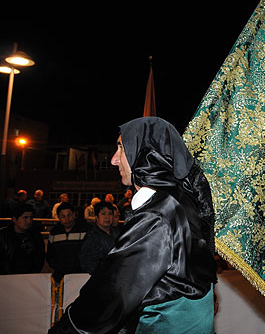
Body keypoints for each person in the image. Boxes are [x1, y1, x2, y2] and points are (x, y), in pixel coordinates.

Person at [50, 117, 217, 334]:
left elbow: (110, 295)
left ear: (146, 152)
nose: (113, 160)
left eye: (121, 147)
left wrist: (64, 329)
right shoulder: (181, 201)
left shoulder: (158, 215)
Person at [47, 202, 87, 281]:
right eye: (63, 216)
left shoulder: (84, 230)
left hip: (79, 274)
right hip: (60, 275)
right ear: (58, 217)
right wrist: (56, 265)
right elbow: (50, 253)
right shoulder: (54, 232)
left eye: (69, 215)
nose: (67, 219)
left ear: (74, 214)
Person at [0, 203, 45, 274]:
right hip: (7, 277)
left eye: (31, 218)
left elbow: (40, 258)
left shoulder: (36, 236)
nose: (29, 221)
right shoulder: (3, 235)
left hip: (29, 277)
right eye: (25, 218)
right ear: (14, 219)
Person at [79, 202, 118, 274]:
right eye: (103, 214)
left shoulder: (117, 233)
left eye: (110, 214)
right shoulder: (91, 237)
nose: (107, 217)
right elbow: (88, 264)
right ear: (96, 217)